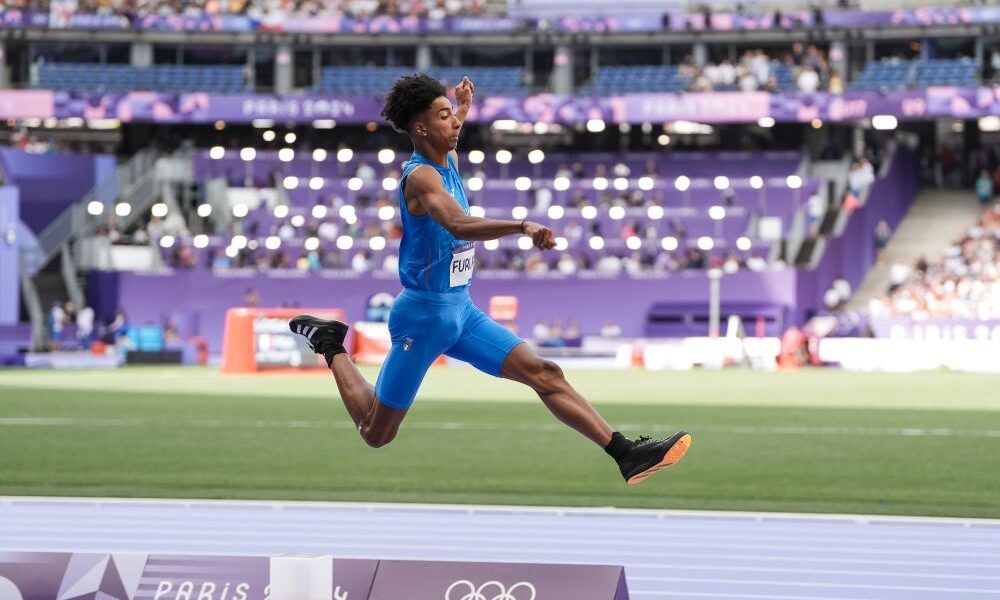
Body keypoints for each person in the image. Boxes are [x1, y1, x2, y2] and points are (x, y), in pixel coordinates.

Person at [289, 73, 690, 485]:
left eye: (452, 114)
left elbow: (452, 131)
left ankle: (626, 454)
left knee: (545, 373)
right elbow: (459, 224)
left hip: (461, 311)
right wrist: (521, 225)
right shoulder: (420, 177)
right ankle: (330, 344)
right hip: (424, 318)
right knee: (376, 433)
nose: (454, 123)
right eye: (443, 116)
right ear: (421, 128)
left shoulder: (448, 159)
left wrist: (462, 106)